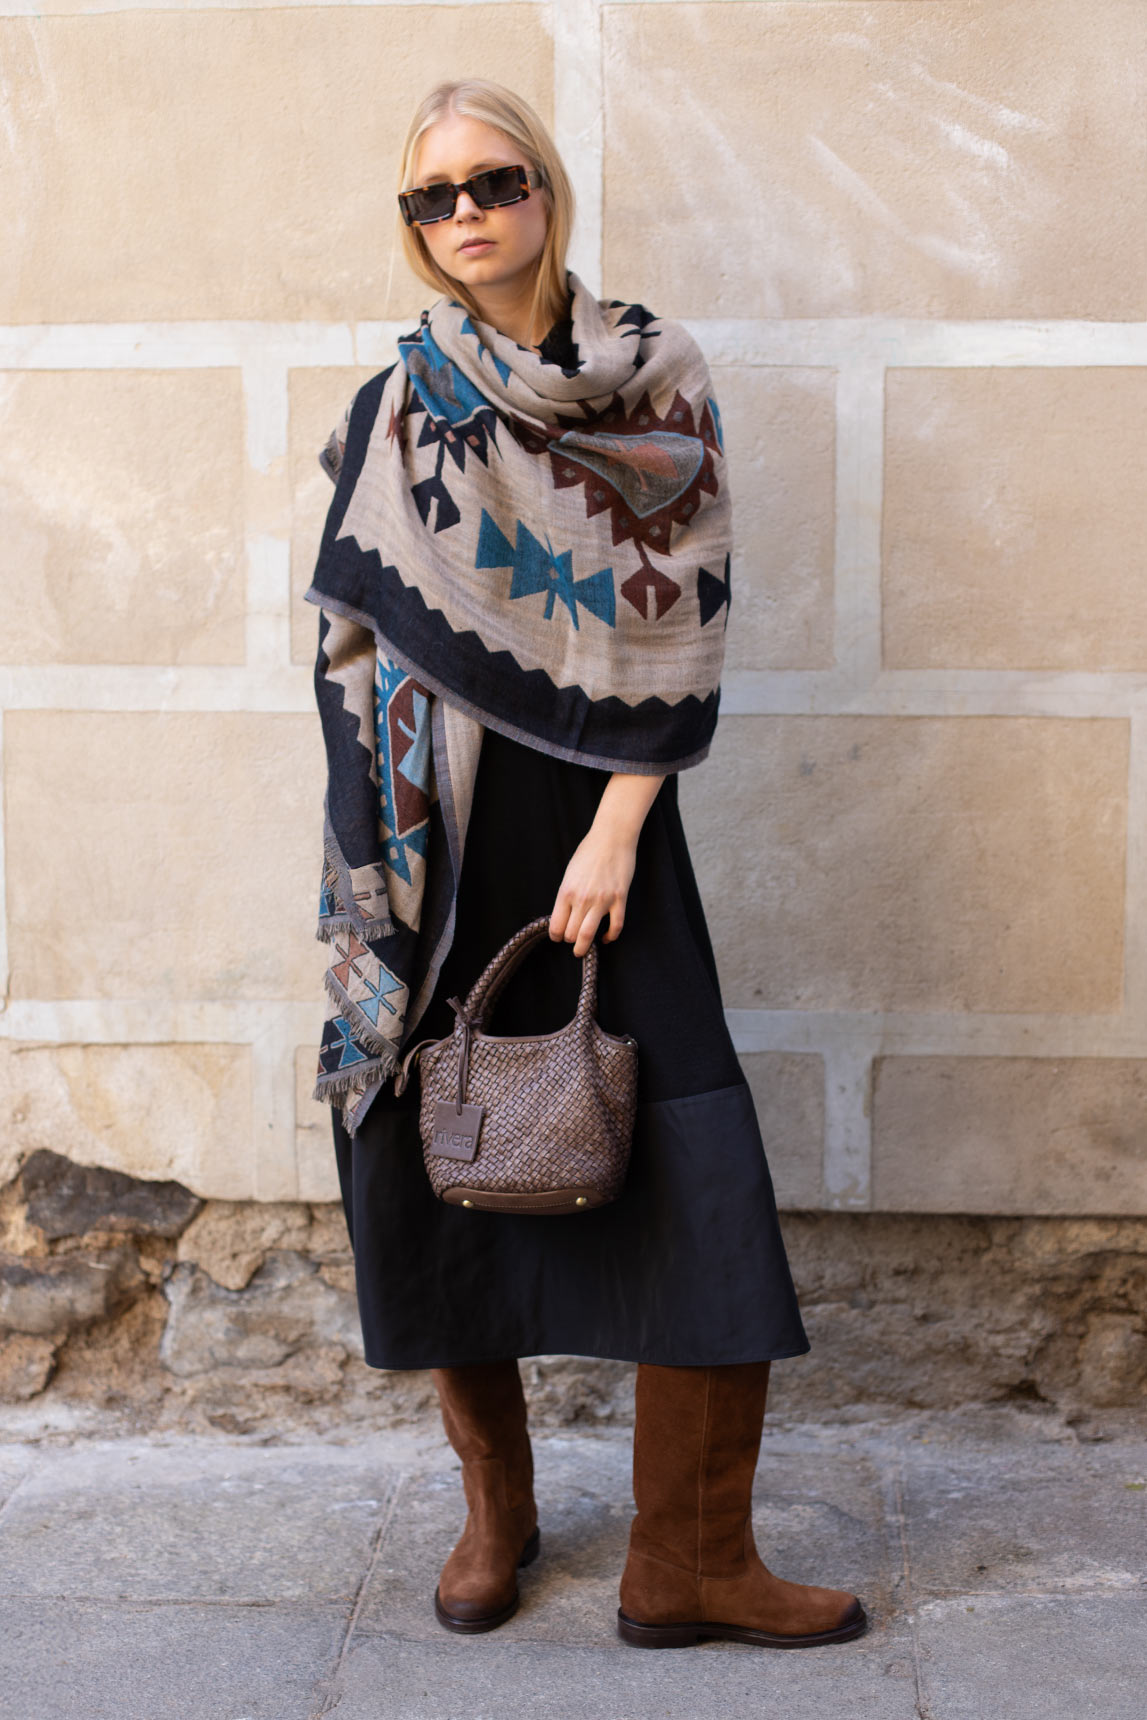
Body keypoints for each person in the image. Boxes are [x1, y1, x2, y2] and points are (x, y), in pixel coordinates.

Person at [304, 77, 866, 1651]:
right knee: (435, 1150)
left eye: (494, 181)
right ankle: (497, 1512)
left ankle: (689, 1560)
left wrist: (620, 827)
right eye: (432, 197)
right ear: (414, 227)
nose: (466, 214)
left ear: (545, 190)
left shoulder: (651, 375)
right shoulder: (391, 405)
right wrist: (377, 873)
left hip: (606, 815)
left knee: (694, 1158)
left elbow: (684, 613)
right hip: (436, 836)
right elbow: (353, 639)